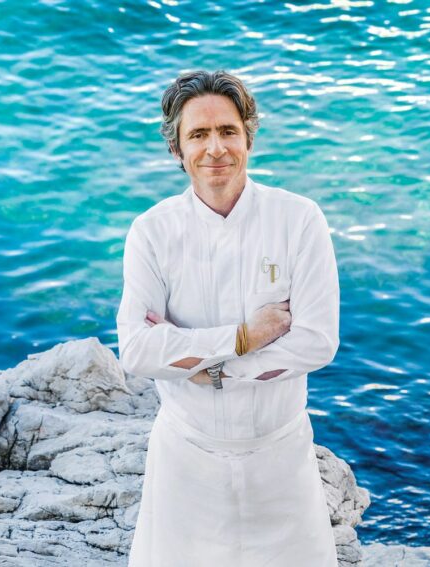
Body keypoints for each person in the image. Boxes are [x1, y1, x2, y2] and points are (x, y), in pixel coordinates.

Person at [116, 70, 340, 566]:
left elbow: (317, 342)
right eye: (198, 134)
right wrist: (244, 337)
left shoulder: (299, 220)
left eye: (227, 131)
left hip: (280, 461)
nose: (215, 148)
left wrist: (210, 368)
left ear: (248, 138)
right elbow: (136, 350)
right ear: (176, 148)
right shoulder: (152, 233)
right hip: (187, 461)